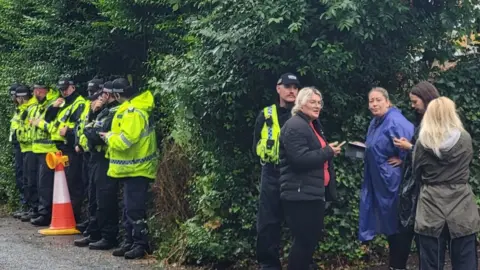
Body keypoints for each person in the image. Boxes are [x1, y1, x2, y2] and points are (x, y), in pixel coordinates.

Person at [413, 97, 480, 269]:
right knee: (466, 264)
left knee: (430, 264)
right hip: (462, 207)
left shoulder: (422, 143)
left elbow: (416, 172)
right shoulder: (465, 139)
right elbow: (468, 164)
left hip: (430, 208)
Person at [279, 87, 341, 270]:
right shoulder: (295, 126)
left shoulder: (311, 124)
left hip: (312, 193)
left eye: (319, 102)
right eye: (312, 102)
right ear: (301, 103)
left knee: (308, 241)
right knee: (304, 242)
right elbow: (299, 159)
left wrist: (326, 152)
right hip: (299, 195)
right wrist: (327, 151)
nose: (317, 106)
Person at [99, 78, 157, 259]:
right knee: (127, 208)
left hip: (138, 167)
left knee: (134, 209)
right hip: (132, 167)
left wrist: (108, 137)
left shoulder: (132, 112)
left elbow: (126, 140)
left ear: (116, 94)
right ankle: (130, 241)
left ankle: (140, 244)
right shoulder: (130, 109)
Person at [358, 87, 414, 270]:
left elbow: (415, 145)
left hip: (394, 183)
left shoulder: (396, 121)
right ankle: (395, 265)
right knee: (389, 224)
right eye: (371, 101)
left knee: (397, 224)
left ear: (388, 102)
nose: (374, 104)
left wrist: (403, 158)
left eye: (378, 100)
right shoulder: (375, 122)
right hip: (380, 182)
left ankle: (398, 265)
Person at [253, 73, 300, 270]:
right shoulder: (266, 114)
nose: (292, 91)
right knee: (267, 221)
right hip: (271, 172)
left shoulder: (303, 115)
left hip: (296, 174)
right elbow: (256, 143)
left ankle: (301, 263)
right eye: (287, 86)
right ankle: (268, 264)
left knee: (299, 220)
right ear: (278, 88)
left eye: (295, 87)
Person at [391, 81, 440, 268]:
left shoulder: (434, 123)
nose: (412, 105)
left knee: (419, 234)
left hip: (422, 188)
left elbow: (432, 156)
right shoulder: (422, 120)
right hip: (413, 187)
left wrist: (409, 147)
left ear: (426, 99)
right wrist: (405, 158)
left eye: (415, 101)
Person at [32, 77, 86, 225]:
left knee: (72, 183)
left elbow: (79, 125)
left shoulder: (79, 103)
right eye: (61, 89)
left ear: (73, 87)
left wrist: (68, 131)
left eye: (66, 89)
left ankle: (73, 217)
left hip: (70, 147)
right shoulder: (63, 103)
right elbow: (50, 120)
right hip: (59, 147)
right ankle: (63, 216)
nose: (63, 92)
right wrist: (54, 107)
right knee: (62, 184)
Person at [75, 81, 120, 250]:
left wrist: (92, 128)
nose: (100, 97)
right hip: (93, 156)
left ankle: (108, 235)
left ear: (109, 95)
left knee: (104, 198)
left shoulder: (113, 111)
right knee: (93, 196)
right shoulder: (102, 111)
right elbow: (90, 130)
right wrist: (94, 116)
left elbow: (95, 134)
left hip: (105, 158)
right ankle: (94, 232)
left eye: (103, 94)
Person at [75, 78, 104, 235]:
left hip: (97, 153)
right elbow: (80, 126)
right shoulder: (87, 105)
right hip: (85, 152)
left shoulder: (102, 107)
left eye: (94, 91)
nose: (91, 94)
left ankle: (95, 227)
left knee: (96, 193)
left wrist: (96, 111)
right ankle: (91, 222)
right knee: (89, 190)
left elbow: (94, 129)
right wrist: (78, 143)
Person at [29, 82, 60, 226]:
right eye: (35, 90)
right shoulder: (35, 105)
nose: (36, 93)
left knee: (45, 184)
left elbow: (51, 125)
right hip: (37, 149)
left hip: (49, 150)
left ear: (46, 90)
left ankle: (45, 214)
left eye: (39, 90)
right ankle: (40, 211)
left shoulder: (55, 104)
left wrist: (38, 123)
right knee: (39, 183)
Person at [14, 85, 39, 222]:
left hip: (31, 146)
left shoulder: (31, 107)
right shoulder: (23, 108)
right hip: (24, 146)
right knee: (25, 178)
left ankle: (34, 208)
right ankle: (30, 207)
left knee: (31, 179)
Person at [9, 83, 27, 218]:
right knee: (20, 176)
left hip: (25, 145)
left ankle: (26, 205)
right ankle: (24, 204)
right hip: (19, 144)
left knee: (25, 177)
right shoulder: (18, 108)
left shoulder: (25, 108)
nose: (13, 98)